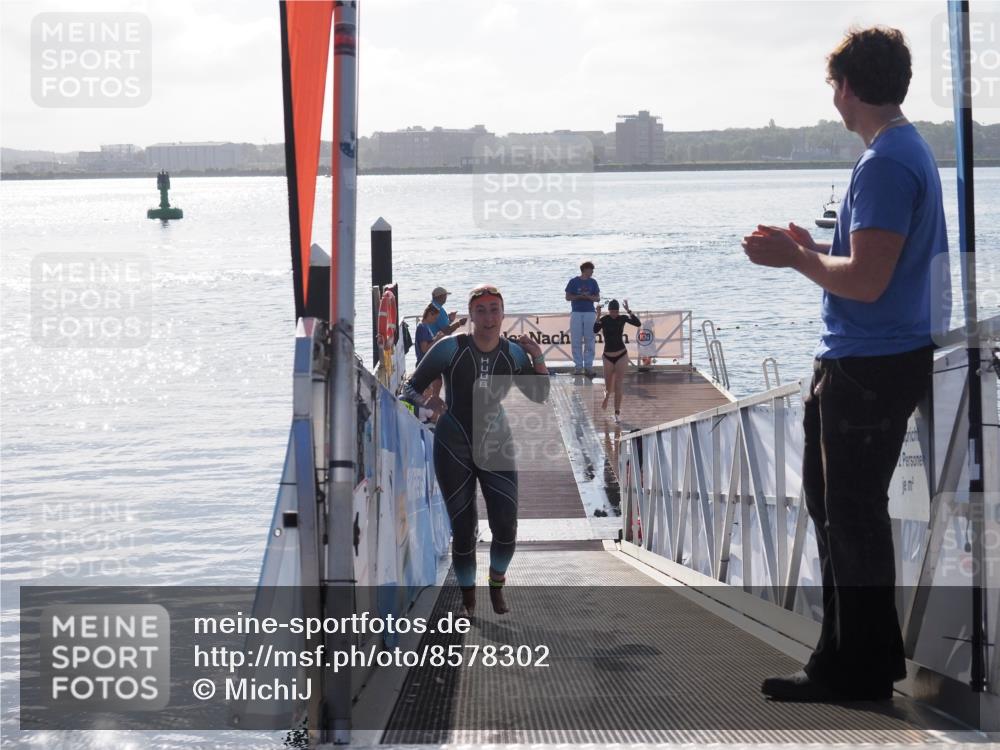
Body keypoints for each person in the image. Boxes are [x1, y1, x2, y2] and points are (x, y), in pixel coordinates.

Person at [742, 27, 948, 702]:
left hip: (870, 365)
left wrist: (796, 259)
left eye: (833, 84)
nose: (833, 97)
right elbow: (870, 264)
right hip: (869, 359)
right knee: (838, 510)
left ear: (849, 87)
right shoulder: (900, 153)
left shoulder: (886, 162)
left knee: (851, 516)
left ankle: (856, 669)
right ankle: (849, 658)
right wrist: (813, 245)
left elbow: (866, 281)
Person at [402, 284, 550, 616]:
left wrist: (537, 356)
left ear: (503, 313)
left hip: (496, 441)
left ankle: (496, 584)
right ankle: (469, 597)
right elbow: (408, 387)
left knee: (506, 525)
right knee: (463, 527)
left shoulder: (513, 353)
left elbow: (539, 395)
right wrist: (427, 402)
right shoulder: (448, 348)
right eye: (481, 310)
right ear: (471, 315)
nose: (488, 317)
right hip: (453, 443)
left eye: (494, 309)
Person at [594, 299, 641, 422]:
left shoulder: (622, 318)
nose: (614, 314)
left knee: (619, 384)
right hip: (608, 357)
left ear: (618, 311)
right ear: (608, 311)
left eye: (616, 311)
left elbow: (637, 323)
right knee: (609, 387)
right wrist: (598, 315)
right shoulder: (604, 320)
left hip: (621, 354)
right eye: (612, 311)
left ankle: (617, 413)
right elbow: (594, 329)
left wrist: (628, 311)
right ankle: (607, 395)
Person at [565, 261, 600, 376]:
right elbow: (568, 297)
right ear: (585, 269)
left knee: (590, 339)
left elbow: (597, 298)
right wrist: (578, 296)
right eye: (591, 270)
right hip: (576, 312)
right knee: (576, 340)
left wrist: (588, 297)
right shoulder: (573, 281)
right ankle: (578, 366)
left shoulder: (593, 282)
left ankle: (588, 366)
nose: (592, 272)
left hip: (590, 312)